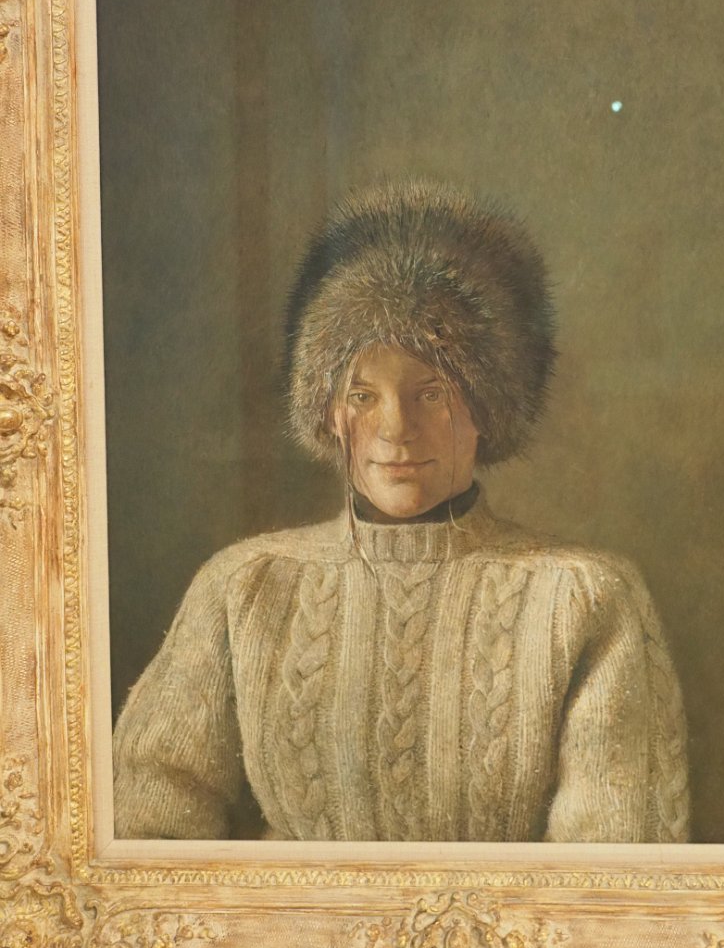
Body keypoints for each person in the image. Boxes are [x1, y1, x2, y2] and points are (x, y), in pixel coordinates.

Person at [112, 178, 689, 842]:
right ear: (331, 414)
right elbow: (148, 831)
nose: (395, 430)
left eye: (431, 394)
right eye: (363, 396)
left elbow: (617, 865)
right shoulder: (243, 587)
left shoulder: (586, 598)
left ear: (485, 407)